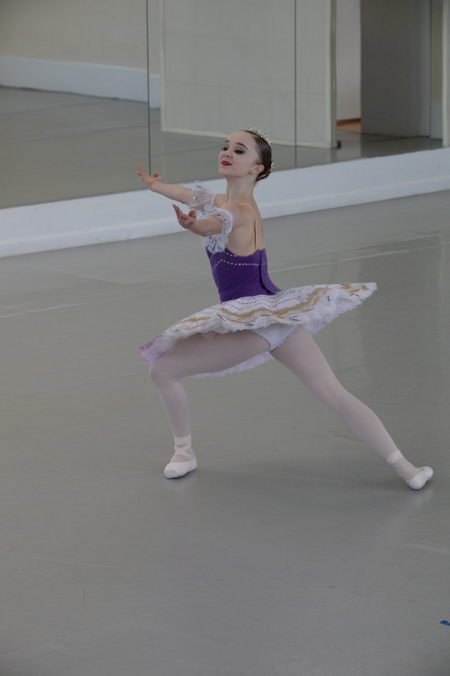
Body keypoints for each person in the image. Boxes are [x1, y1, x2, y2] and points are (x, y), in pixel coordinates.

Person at [136, 129, 433, 489]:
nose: (227, 152)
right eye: (226, 147)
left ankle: (184, 453)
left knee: (163, 371)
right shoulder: (228, 202)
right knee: (334, 394)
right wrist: (157, 187)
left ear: (256, 168)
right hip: (280, 316)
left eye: (239, 150)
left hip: (254, 323)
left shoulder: (237, 212)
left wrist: (194, 225)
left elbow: (215, 223)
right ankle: (408, 470)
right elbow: (191, 196)